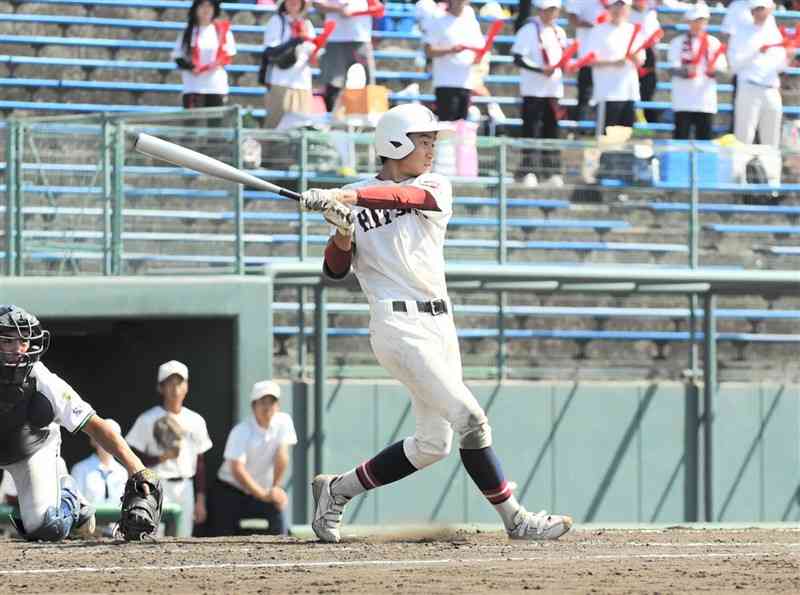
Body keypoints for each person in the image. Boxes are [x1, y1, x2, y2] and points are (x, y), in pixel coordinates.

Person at [297, 103, 573, 543]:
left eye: (432, 141)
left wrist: (345, 198)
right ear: (395, 143)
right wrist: (342, 233)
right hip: (396, 326)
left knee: (433, 444)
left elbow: (409, 198)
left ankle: (336, 489)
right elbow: (333, 272)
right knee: (472, 421)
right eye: (423, 140)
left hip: (440, 326)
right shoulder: (354, 192)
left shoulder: (434, 186)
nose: (431, 149)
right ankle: (516, 521)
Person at [0, 305, 153, 541]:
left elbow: (95, 425)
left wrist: (137, 468)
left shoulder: (43, 380)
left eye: (24, 341)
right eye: (9, 340)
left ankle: (69, 496)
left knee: (48, 527)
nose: (19, 349)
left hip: (32, 448)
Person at [125, 360, 213, 538]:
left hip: (185, 486)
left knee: (183, 539)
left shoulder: (196, 420)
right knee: (153, 537)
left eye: (179, 383)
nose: (175, 389)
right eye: (170, 384)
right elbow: (132, 456)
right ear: (161, 387)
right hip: (157, 485)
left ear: (186, 386)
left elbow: (200, 462)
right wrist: (161, 458)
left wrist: (201, 499)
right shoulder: (147, 419)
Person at [211, 380, 297, 536]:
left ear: (277, 405)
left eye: (272, 402)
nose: (267, 407)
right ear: (253, 406)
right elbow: (237, 469)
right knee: (223, 538)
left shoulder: (284, 422)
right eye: (262, 402)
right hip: (230, 491)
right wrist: (263, 495)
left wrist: (275, 488)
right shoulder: (241, 431)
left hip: (263, 490)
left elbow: (282, 455)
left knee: (279, 515)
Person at [512, 0, 567, 187]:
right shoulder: (528, 30)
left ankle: (551, 171)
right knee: (531, 130)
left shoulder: (559, 32)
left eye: (554, 10)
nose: (551, 14)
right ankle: (529, 170)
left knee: (552, 131)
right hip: (533, 90)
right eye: (547, 10)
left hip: (553, 90)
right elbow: (518, 58)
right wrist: (540, 69)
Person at [728, 0, 791, 148]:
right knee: (744, 138)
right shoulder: (741, 33)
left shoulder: (775, 34)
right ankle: (739, 171)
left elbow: (780, 67)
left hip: (771, 88)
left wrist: (789, 56)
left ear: (769, 10)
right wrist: (756, 53)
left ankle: (771, 171)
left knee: (772, 139)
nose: (758, 13)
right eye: (755, 9)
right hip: (749, 87)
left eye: (761, 9)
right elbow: (735, 64)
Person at [584, 0, 646, 132]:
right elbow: (589, 60)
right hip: (606, 93)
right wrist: (613, 63)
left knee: (624, 136)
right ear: (609, 8)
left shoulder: (633, 30)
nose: (618, 10)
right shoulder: (598, 31)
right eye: (615, 6)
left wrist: (635, 58)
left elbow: (641, 60)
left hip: (628, 92)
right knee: (606, 137)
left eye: (622, 6)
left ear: (628, 9)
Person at [667, 3, 727, 140]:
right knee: (681, 139)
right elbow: (671, 68)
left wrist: (714, 71)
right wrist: (685, 70)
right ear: (688, 22)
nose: (698, 25)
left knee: (704, 140)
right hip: (683, 100)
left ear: (706, 22)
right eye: (695, 21)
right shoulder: (677, 42)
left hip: (705, 100)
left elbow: (723, 70)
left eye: (701, 21)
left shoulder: (714, 42)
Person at [424, 0, 486, 122]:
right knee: (447, 126)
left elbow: (480, 49)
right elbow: (428, 50)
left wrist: (477, 58)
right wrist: (451, 50)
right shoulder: (438, 20)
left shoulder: (471, 22)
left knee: (461, 126)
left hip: (466, 82)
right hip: (445, 82)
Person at [313, 0, 379, 111]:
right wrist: (339, 8)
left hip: (361, 39)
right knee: (333, 83)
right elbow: (317, 3)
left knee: (367, 84)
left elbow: (378, 9)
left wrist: (354, 12)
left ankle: (365, 121)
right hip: (335, 39)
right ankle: (332, 120)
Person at [171, 0, 237, 110]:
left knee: (216, 125)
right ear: (196, 8)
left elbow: (229, 53)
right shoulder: (188, 31)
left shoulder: (222, 30)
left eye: (209, 6)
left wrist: (216, 64)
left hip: (216, 86)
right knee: (193, 124)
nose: (206, 10)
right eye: (202, 5)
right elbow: (177, 55)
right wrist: (191, 67)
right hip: (193, 86)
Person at [261, 0, 316, 130]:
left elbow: (312, 54)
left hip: (302, 82)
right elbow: (270, 50)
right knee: (274, 126)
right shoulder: (277, 21)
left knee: (299, 128)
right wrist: (294, 41)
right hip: (280, 81)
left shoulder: (307, 24)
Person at [565, 0, 608, 122]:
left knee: (607, 98)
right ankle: (581, 128)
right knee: (585, 96)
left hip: (609, 61)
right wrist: (595, 25)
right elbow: (573, 19)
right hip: (587, 59)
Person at [629, 0, 660, 123]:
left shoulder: (651, 14)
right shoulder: (627, 13)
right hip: (631, 53)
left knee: (648, 90)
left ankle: (648, 123)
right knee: (630, 90)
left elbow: (656, 36)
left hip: (648, 54)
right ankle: (631, 120)